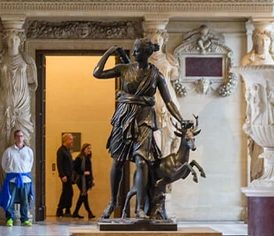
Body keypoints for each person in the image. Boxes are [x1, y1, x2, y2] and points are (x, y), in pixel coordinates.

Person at [94, 38, 185, 218]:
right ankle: (113, 202)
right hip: (124, 117)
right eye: (134, 49)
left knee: (142, 162)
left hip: (145, 118)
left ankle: (140, 208)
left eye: (139, 50)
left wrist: (181, 120)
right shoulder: (124, 69)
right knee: (118, 161)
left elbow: (168, 101)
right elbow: (97, 73)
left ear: (147, 53)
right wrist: (108, 53)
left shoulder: (156, 75)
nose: (135, 52)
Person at [0, 129, 35, 226]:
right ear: (14, 138)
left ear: (24, 138)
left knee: (25, 200)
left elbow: (31, 163)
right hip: (12, 179)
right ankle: (9, 218)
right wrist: (11, 171)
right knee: (10, 199)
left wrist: (23, 171)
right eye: (18, 136)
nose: (20, 138)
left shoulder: (29, 151)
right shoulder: (9, 151)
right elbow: (3, 164)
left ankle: (24, 219)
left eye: (21, 136)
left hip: (25, 179)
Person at [73, 143, 95, 219]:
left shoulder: (87, 158)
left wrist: (92, 179)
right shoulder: (79, 158)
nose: (89, 150)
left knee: (83, 196)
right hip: (81, 179)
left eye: (90, 148)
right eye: (88, 148)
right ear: (84, 149)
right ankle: (89, 212)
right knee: (84, 195)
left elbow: (90, 170)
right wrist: (83, 172)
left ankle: (76, 212)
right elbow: (75, 168)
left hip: (86, 180)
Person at [56, 133, 75, 217]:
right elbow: (59, 164)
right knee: (67, 192)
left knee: (68, 192)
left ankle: (66, 209)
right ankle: (61, 209)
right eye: (70, 139)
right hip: (65, 175)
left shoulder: (67, 150)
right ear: (65, 140)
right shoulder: (61, 151)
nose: (72, 141)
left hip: (69, 175)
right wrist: (62, 175)